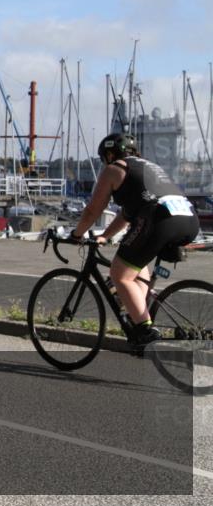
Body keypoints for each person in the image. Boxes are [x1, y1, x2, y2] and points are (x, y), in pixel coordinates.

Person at [71, 133, 199, 352]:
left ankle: (145, 330)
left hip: (160, 220)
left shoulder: (114, 169)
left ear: (110, 154)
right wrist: (105, 236)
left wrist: (76, 234)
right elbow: (127, 214)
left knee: (119, 274)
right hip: (188, 219)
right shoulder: (148, 167)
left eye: (104, 158)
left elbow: (94, 209)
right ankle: (140, 318)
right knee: (135, 270)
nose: (105, 162)